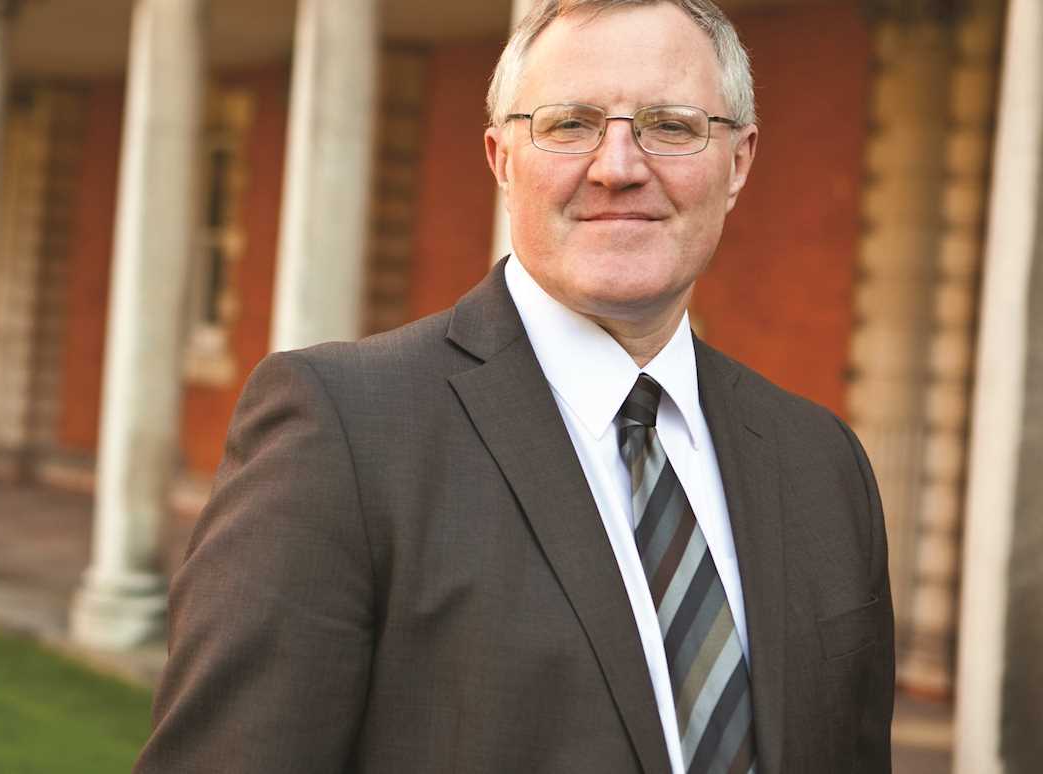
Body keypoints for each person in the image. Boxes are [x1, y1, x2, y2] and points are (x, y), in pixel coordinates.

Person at [135, 0, 894, 772]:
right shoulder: (341, 434)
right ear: (502, 160)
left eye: (671, 126)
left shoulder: (822, 462)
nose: (619, 167)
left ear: (737, 163)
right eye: (570, 125)